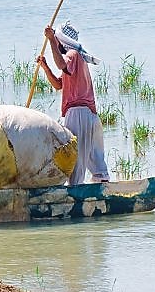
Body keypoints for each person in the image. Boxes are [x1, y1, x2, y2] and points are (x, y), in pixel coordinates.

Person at [37, 21, 110, 185]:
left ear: (62, 41)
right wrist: (45, 67)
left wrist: (50, 40)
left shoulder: (73, 55)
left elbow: (62, 64)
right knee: (93, 154)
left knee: (75, 154)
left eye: (57, 40)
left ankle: (75, 189)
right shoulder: (77, 58)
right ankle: (101, 183)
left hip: (78, 112)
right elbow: (58, 85)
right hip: (89, 113)